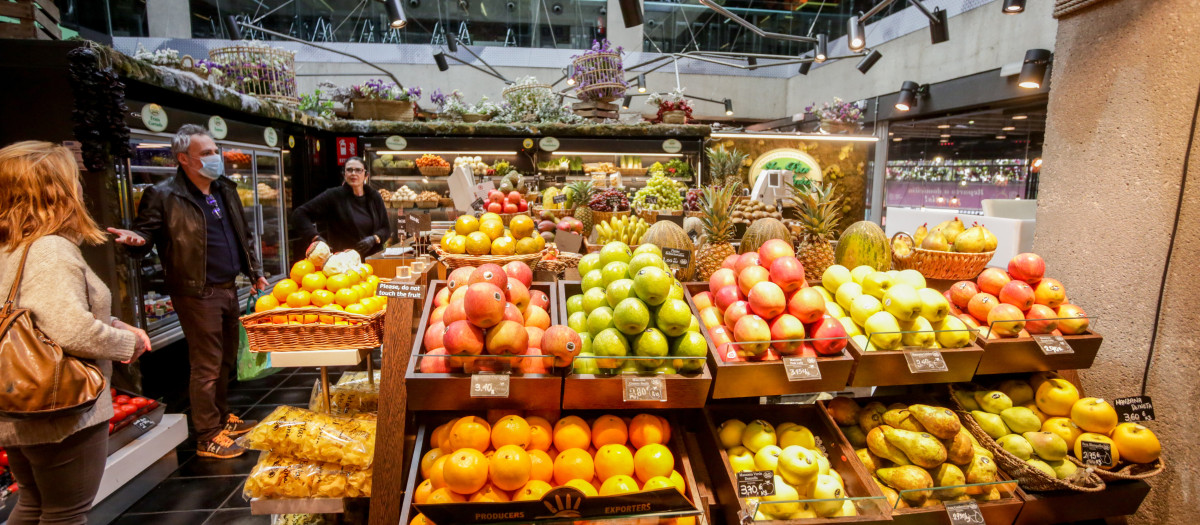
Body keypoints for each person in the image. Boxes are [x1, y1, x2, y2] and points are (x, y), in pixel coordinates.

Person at [0, 141, 151, 525]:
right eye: (74, 179)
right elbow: (72, 329)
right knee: (66, 513)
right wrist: (126, 342)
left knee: (33, 503)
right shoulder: (50, 249)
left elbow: (38, 315)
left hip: (20, 400)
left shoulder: (11, 246)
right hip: (61, 409)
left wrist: (113, 323)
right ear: (54, 189)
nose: (81, 187)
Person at [107, 124, 267, 459]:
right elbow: (144, 234)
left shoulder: (224, 188)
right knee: (207, 364)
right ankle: (208, 434)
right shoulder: (164, 195)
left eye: (215, 150)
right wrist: (136, 242)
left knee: (226, 359)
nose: (215, 158)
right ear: (184, 159)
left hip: (227, 287)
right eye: (206, 153)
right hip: (196, 291)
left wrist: (254, 272)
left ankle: (222, 419)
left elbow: (243, 232)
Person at [291, 156, 392, 258]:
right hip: (343, 262)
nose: (353, 173)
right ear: (344, 174)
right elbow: (299, 214)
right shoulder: (333, 196)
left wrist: (374, 239)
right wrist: (315, 238)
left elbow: (386, 229)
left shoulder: (374, 196)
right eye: (349, 170)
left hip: (373, 260)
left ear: (366, 175)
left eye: (358, 170)